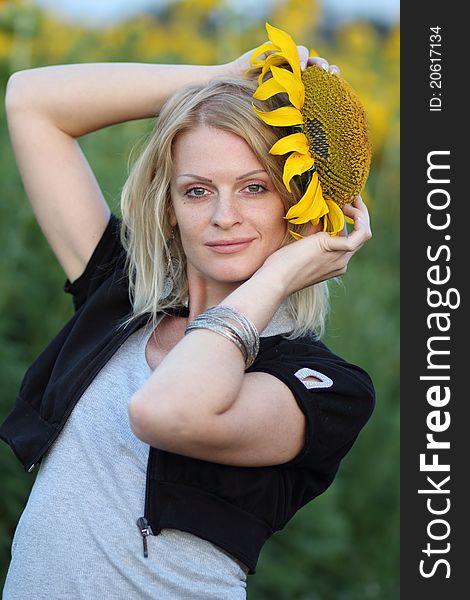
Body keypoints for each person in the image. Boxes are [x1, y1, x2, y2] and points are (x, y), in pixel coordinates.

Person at [1, 24, 374, 600]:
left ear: (296, 206)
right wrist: (221, 80)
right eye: (197, 190)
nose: (224, 216)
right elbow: (31, 102)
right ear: (169, 206)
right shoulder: (120, 297)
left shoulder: (321, 387)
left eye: (255, 188)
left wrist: (277, 277)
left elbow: (165, 413)